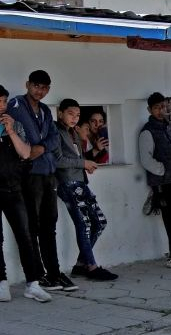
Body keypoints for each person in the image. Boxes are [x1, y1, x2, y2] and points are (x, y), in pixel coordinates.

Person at [8, 70, 77, 291]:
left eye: (45, 87)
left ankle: (54, 273)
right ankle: (37, 276)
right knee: (32, 227)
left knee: (49, 226)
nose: (40, 91)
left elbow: (54, 138)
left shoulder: (47, 110)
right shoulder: (16, 106)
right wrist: (32, 148)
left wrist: (40, 147)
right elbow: (17, 138)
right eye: (36, 86)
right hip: (28, 174)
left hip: (48, 173)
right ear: (28, 84)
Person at [54, 99, 117, 281]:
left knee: (100, 222)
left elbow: (78, 158)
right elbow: (58, 160)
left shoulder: (74, 132)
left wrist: (87, 163)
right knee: (86, 224)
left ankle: (81, 264)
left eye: (78, 115)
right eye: (70, 114)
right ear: (60, 113)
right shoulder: (56, 132)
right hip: (68, 183)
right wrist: (83, 163)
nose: (74, 118)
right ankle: (91, 266)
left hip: (81, 182)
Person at [0, 85, 52, 303]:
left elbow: (25, 153)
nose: (2, 106)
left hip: (13, 188)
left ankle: (33, 284)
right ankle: (2, 283)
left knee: (25, 235)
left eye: (4, 101)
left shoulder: (14, 125)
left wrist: (11, 131)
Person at [139, 92, 171, 269]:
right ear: (149, 109)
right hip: (162, 183)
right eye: (157, 107)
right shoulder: (147, 131)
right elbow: (146, 159)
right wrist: (162, 170)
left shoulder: (168, 127)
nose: (161, 110)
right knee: (170, 220)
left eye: (163, 106)